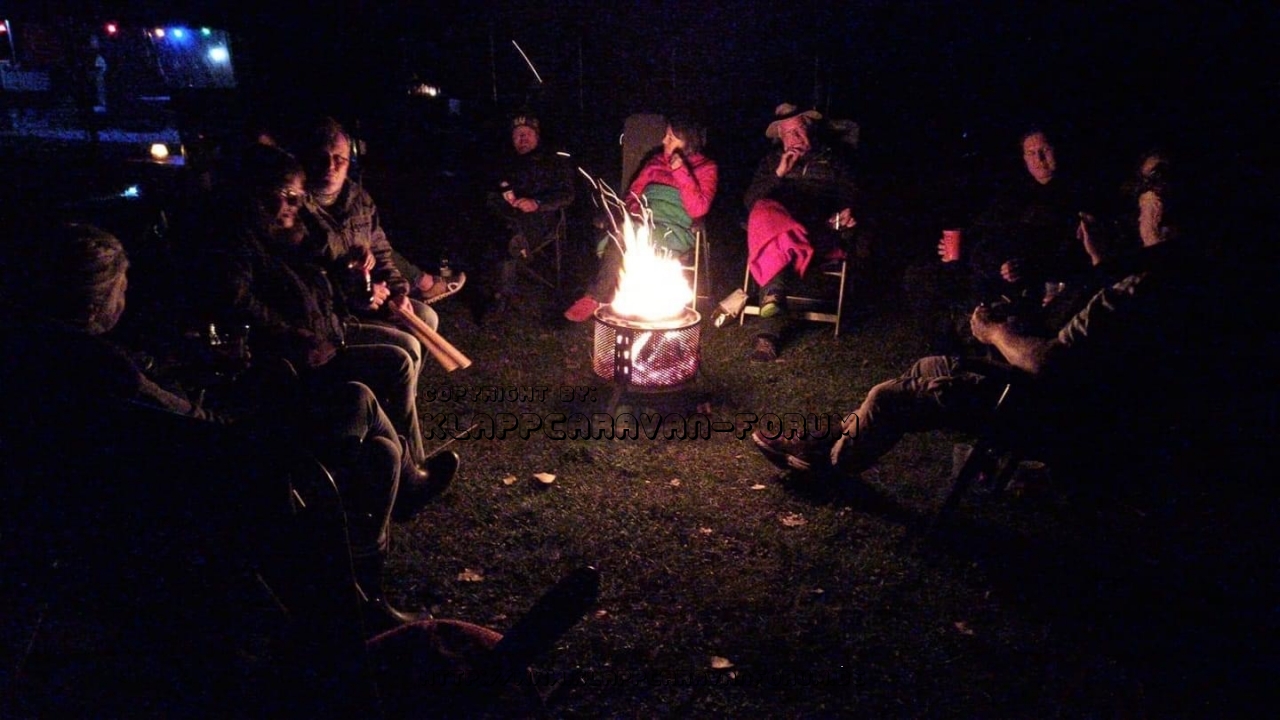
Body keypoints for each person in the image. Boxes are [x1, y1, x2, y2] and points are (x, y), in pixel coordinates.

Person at [752, 207, 1204, 487]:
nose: (1133, 221)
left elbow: (1049, 363)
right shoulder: (1152, 282)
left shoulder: (1131, 293)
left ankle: (826, 468)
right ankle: (832, 439)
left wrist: (994, 334)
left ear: (1162, 221)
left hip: (1037, 405)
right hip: (1048, 392)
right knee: (930, 365)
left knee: (887, 397)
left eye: (1142, 213)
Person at [211, 144, 458, 523]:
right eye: (285, 194)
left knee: (412, 339)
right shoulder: (243, 238)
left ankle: (398, 462)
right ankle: (409, 476)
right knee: (398, 358)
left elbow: (343, 266)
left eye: (297, 196)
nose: (293, 204)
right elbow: (239, 300)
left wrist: (367, 282)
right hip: (299, 348)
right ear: (258, 192)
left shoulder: (299, 227)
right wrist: (294, 335)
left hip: (330, 325)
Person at [905, 128, 1095, 354]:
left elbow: (1075, 251)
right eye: (1031, 153)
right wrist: (957, 244)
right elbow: (983, 226)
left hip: (1023, 278)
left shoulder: (1075, 195)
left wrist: (1032, 266)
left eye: (1044, 150)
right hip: (984, 268)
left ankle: (970, 346)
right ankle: (944, 352)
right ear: (1024, 158)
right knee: (920, 275)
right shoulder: (1017, 192)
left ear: (1057, 151)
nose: (1039, 158)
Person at [298, 116, 465, 323]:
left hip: (370, 295)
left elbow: (381, 252)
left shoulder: (359, 200)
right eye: (322, 157)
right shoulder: (297, 207)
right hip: (333, 312)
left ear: (349, 161)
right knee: (405, 341)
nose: (330, 166)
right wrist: (354, 292)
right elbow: (305, 278)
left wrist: (397, 291)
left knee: (426, 317)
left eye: (339, 158)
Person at [743, 103, 867, 361]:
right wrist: (779, 173)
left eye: (800, 129)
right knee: (763, 210)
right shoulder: (772, 162)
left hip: (817, 234)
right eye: (789, 133)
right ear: (780, 137)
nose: (797, 137)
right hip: (780, 235)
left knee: (773, 240)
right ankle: (771, 312)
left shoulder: (833, 160)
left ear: (810, 129)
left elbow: (853, 197)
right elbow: (750, 202)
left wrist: (849, 212)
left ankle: (767, 333)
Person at [564, 116, 718, 321]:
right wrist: (636, 214)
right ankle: (605, 297)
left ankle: (598, 297)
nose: (664, 140)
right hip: (645, 222)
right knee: (624, 233)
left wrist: (680, 171)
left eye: (671, 137)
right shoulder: (655, 162)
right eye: (666, 135)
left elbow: (698, 209)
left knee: (628, 238)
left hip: (676, 229)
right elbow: (632, 195)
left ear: (687, 141)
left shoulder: (706, 168)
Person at [485, 113, 576, 312]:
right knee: (495, 225)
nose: (522, 139)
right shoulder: (508, 161)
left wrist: (536, 203)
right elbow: (494, 186)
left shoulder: (553, 161)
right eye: (518, 135)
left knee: (507, 237)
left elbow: (567, 195)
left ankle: (502, 297)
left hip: (541, 220)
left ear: (536, 136)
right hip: (508, 216)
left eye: (527, 134)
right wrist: (502, 189)